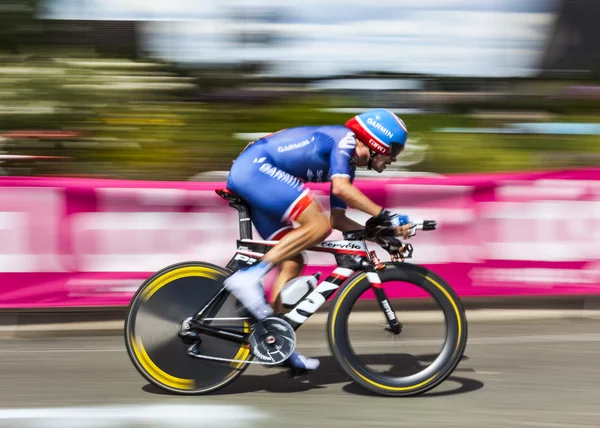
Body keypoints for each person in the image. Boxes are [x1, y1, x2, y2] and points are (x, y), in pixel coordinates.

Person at [224, 108, 415, 375]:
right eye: (394, 150)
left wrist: (382, 235)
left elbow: (339, 220)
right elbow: (340, 191)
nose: (394, 158)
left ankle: (277, 343)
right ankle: (250, 277)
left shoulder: (346, 163)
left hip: (253, 170)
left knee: (292, 260)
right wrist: (387, 215)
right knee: (317, 225)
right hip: (256, 169)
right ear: (376, 141)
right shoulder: (346, 140)